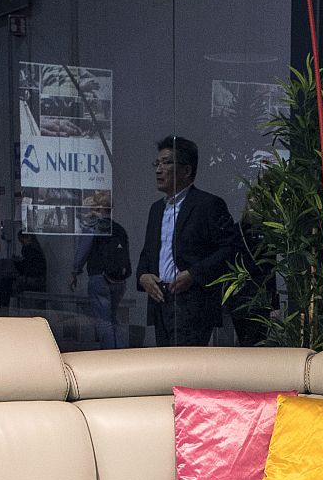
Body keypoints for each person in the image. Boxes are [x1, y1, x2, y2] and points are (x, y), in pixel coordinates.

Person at [137, 136, 239, 347]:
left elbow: (229, 248)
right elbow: (148, 253)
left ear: (186, 170)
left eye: (166, 163)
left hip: (193, 302)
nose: (158, 169)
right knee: (165, 367)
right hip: (160, 301)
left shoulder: (208, 204)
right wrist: (143, 276)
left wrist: (194, 274)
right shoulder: (156, 209)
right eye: (157, 163)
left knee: (185, 369)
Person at [69, 208, 132, 347]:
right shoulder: (119, 228)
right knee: (113, 318)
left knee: (104, 320)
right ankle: (121, 354)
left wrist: (74, 271)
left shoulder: (92, 228)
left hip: (100, 277)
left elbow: (82, 252)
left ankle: (109, 357)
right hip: (119, 279)